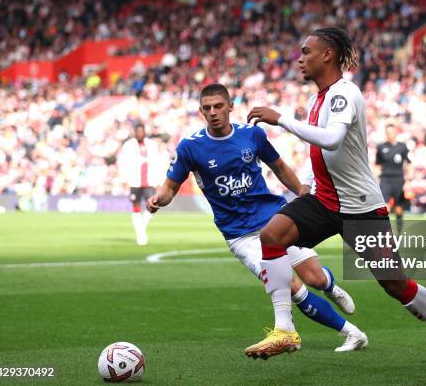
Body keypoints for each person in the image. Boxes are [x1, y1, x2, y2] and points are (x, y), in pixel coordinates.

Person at [246, 27, 426, 373]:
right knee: (271, 236)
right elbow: (324, 154)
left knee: (394, 284)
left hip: (360, 207)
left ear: (327, 54)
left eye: (306, 52)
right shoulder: (316, 98)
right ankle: (285, 329)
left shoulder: (345, 93)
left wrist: (282, 119)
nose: (299, 59)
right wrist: (308, 184)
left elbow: (332, 139)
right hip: (325, 201)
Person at [146, 84, 368, 352]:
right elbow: (170, 186)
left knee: (316, 279)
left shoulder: (252, 135)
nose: (213, 112)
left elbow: (280, 167)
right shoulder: (191, 147)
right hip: (241, 235)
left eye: (218, 106)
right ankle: (352, 333)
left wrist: (301, 193)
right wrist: (159, 199)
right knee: (293, 287)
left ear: (230, 106)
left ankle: (330, 287)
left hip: (275, 219)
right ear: (201, 111)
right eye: (207, 108)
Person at [118, 123, 163, 245]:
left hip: (150, 181)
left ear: (144, 132)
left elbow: (158, 161)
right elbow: (123, 161)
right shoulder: (129, 145)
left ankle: (141, 229)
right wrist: (123, 178)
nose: (139, 134)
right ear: (134, 132)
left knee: (152, 205)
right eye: (137, 132)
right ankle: (141, 234)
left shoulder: (152, 145)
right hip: (134, 181)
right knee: (136, 207)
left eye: (141, 131)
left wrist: (159, 178)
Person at [376, 123, 410, 233]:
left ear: (396, 133)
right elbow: (378, 165)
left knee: (399, 209)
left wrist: (408, 180)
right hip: (385, 179)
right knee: (384, 208)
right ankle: (385, 233)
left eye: (391, 132)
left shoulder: (402, 147)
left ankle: (399, 233)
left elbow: (409, 163)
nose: (390, 134)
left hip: (399, 180)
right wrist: (375, 179)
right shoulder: (381, 147)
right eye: (387, 132)